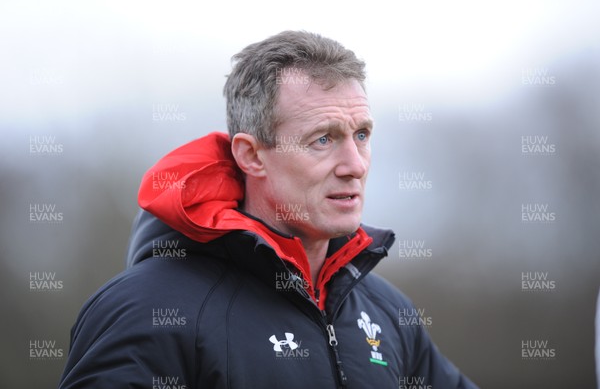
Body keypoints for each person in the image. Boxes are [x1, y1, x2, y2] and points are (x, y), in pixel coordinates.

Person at [59, 30, 478, 389]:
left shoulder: (389, 312)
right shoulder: (145, 310)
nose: (355, 165)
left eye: (362, 134)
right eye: (323, 139)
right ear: (251, 155)